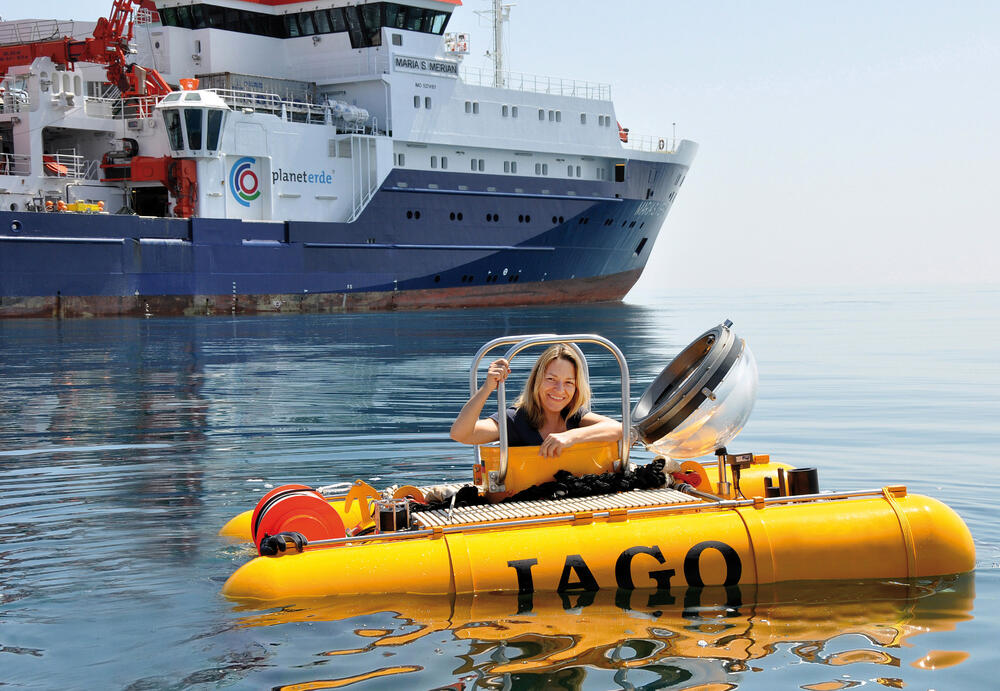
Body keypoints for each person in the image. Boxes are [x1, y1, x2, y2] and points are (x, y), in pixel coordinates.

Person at [450, 344, 622, 457]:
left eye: (568, 382)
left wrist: (571, 436)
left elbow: (619, 429)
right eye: (551, 379)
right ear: (536, 381)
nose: (560, 390)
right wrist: (487, 388)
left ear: (577, 388)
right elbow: (461, 434)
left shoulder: (575, 417)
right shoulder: (515, 420)